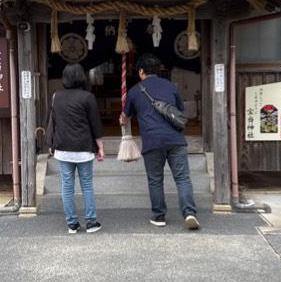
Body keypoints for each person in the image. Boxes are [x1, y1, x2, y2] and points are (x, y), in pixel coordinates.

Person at [121, 53, 199, 229]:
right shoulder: (171, 87)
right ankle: (189, 213)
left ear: (141, 71)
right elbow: (178, 110)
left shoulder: (134, 91)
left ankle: (159, 216)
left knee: (155, 180)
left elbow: (126, 115)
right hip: (176, 139)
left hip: (152, 141)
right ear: (158, 70)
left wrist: (123, 118)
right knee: (183, 178)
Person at [47, 63, 104, 233]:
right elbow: (95, 124)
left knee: (67, 186)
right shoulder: (88, 97)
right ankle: (91, 222)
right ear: (81, 77)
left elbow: (53, 122)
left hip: (63, 148)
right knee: (86, 185)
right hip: (83, 148)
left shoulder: (56, 96)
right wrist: (100, 147)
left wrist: (50, 144)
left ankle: (72, 224)